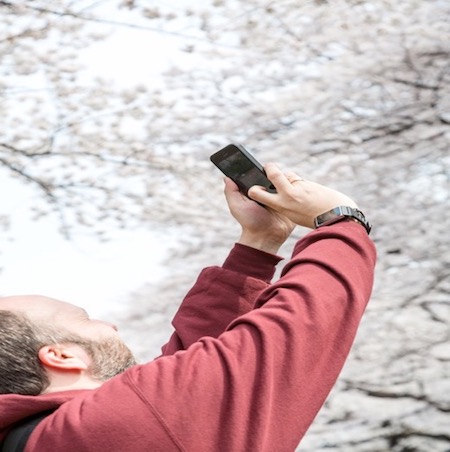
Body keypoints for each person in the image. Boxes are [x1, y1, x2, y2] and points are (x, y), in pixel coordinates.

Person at [0, 163, 376, 451]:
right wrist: (339, 221)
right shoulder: (99, 426)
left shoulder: (42, 438)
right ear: (61, 355)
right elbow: (292, 333)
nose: (109, 324)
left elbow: (189, 375)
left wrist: (257, 246)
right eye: (85, 320)